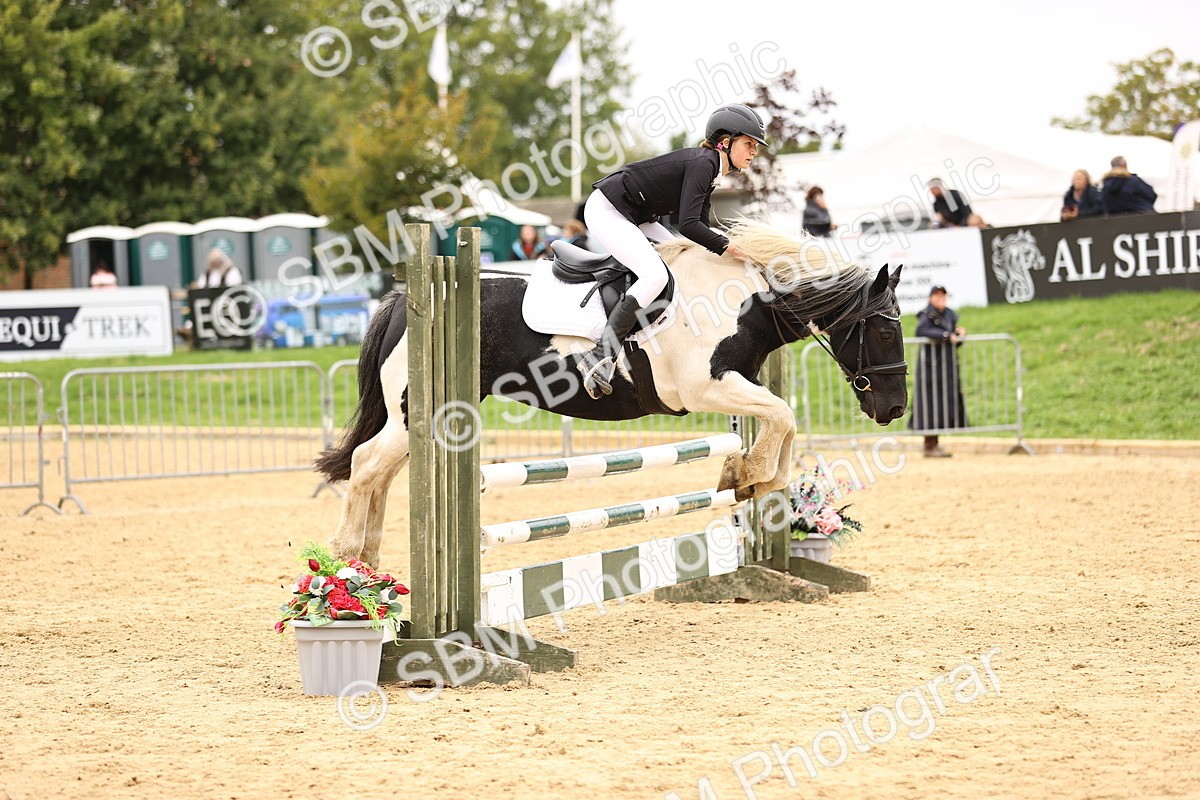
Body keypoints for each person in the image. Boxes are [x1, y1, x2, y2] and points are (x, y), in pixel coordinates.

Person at [578, 103, 768, 398]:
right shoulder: (705, 163)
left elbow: (699, 229)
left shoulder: (712, 168)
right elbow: (690, 224)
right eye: (749, 143)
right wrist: (731, 246)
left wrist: (733, 248)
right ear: (726, 142)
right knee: (654, 275)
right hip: (609, 208)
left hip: (637, 216)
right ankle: (600, 354)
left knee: (685, 255)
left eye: (755, 145)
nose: (754, 151)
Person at [910, 286, 967, 458]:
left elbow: (954, 340)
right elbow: (921, 331)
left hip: (947, 369)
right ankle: (929, 445)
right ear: (930, 298)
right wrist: (945, 335)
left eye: (943, 295)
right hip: (930, 370)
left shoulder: (950, 314)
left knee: (942, 406)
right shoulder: (926, 314)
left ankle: (935, 444)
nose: (940, 298)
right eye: (937, 295)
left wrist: (958, 334)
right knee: (930, 405)